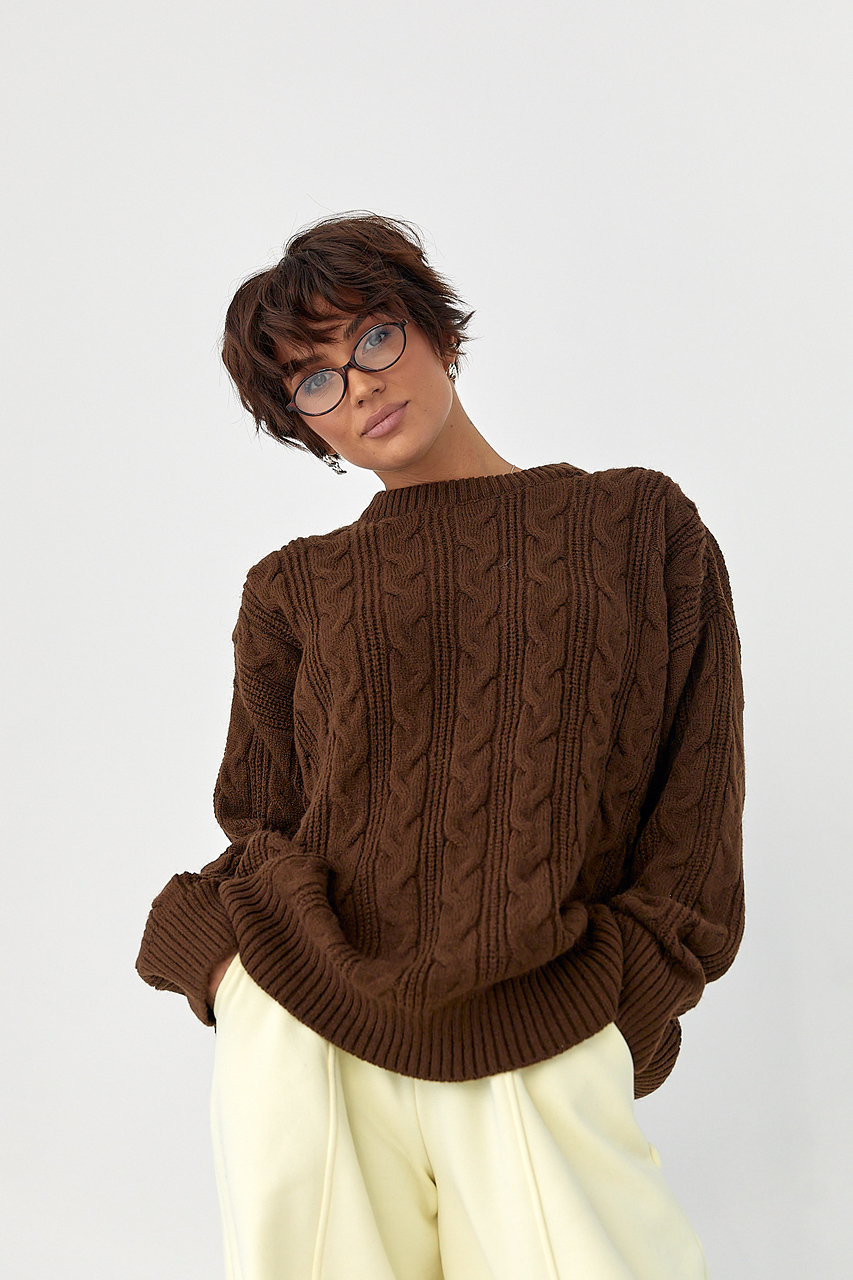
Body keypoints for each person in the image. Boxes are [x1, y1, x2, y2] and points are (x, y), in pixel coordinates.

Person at [136, 212, 745, 1280]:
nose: (358, 386)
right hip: (311, 1034)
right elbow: (261, 820)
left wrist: (615, 1013)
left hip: (547, 1022)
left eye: (372, 337)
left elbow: (696, 804)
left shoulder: (637, 526)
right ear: (302, 426)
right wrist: (239, 981)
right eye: (312, 380)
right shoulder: (291, 590)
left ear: (436, 331)